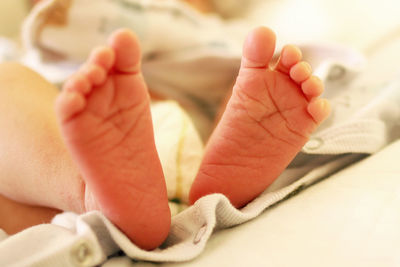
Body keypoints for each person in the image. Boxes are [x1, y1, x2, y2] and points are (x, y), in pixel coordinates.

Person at [0, 25, 330, 250]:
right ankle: (99, 200)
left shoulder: (203, 31)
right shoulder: (43, 48)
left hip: (126, 148)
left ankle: (91, 192)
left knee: (8, 84)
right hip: (85, 164)